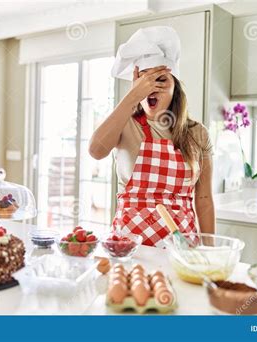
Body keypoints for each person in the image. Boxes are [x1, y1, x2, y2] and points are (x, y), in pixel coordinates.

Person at [89, 26, 215, 247]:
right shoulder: (124, 123)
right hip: (129, 247)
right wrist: (132, 97)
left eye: (160, 81)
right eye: (145, 82)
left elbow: (203, 199)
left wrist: (210, 250)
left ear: (175, 87)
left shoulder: (197, 133)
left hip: (181, 248)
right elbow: (95, 151)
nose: (151, 89)